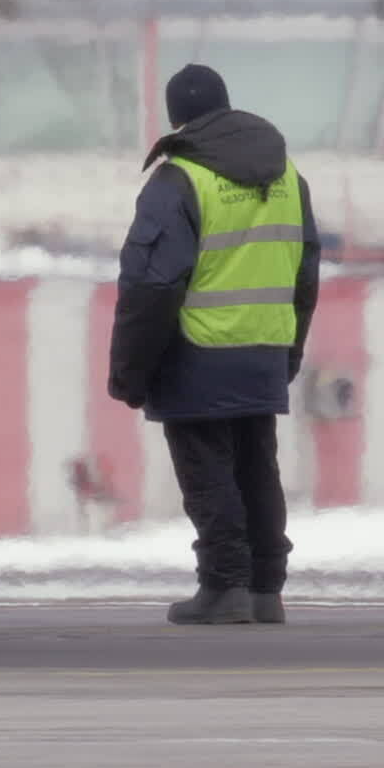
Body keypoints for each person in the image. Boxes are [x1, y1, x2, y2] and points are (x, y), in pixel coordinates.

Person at [108, 64, 323, 626]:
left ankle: (224, 585)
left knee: (208, 472)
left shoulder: (178, 179)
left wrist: (130, 370)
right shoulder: (287, 177)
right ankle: (264, 589)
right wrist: (290, 349)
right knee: (258, 466)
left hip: (198, 349)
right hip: (264, 345)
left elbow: (152, 282)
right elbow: (306, 271)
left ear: (177, 118)